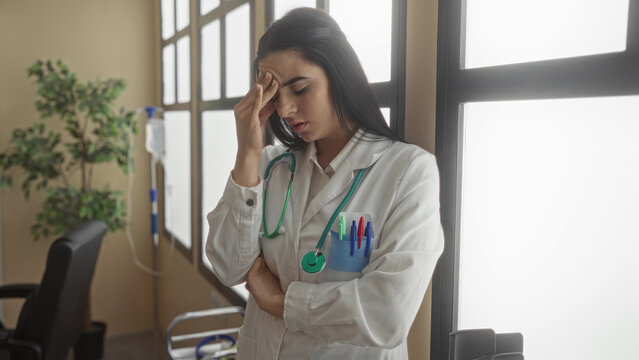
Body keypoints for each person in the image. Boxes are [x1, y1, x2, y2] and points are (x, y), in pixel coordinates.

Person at [206, 7, 444, 359]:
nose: (285, 109)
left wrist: (280, 301)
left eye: (299, 89)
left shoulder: (408, 171)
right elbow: (228, 266)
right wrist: (247, 152)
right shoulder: (270, 166)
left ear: (339, 74)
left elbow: (386, 315)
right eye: (273, 95)